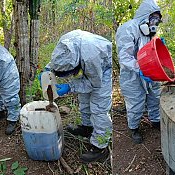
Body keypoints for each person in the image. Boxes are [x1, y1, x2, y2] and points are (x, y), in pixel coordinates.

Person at [43, 29, 112, 163]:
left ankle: (101, 147)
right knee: (84, 99)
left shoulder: (91, 57)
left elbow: (94, 83)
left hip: (103, 69)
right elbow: (59, 57)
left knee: (99, 108)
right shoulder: (66, 43)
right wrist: (48, 70)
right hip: (88, 62)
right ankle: (87, 128)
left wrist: (70, 86)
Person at [115, 0, 162, 144]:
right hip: (132, 75)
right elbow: (125, 57)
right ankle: (134, 128)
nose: (155, 23)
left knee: (155, 96)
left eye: (157, 20)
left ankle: (156, 121)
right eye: (153, 18)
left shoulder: (147, 31)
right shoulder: (128, 29)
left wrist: (158, 47)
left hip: (149, 70)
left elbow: (148, 51)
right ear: (145, 15)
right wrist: (140, 69)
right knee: (136, 102)